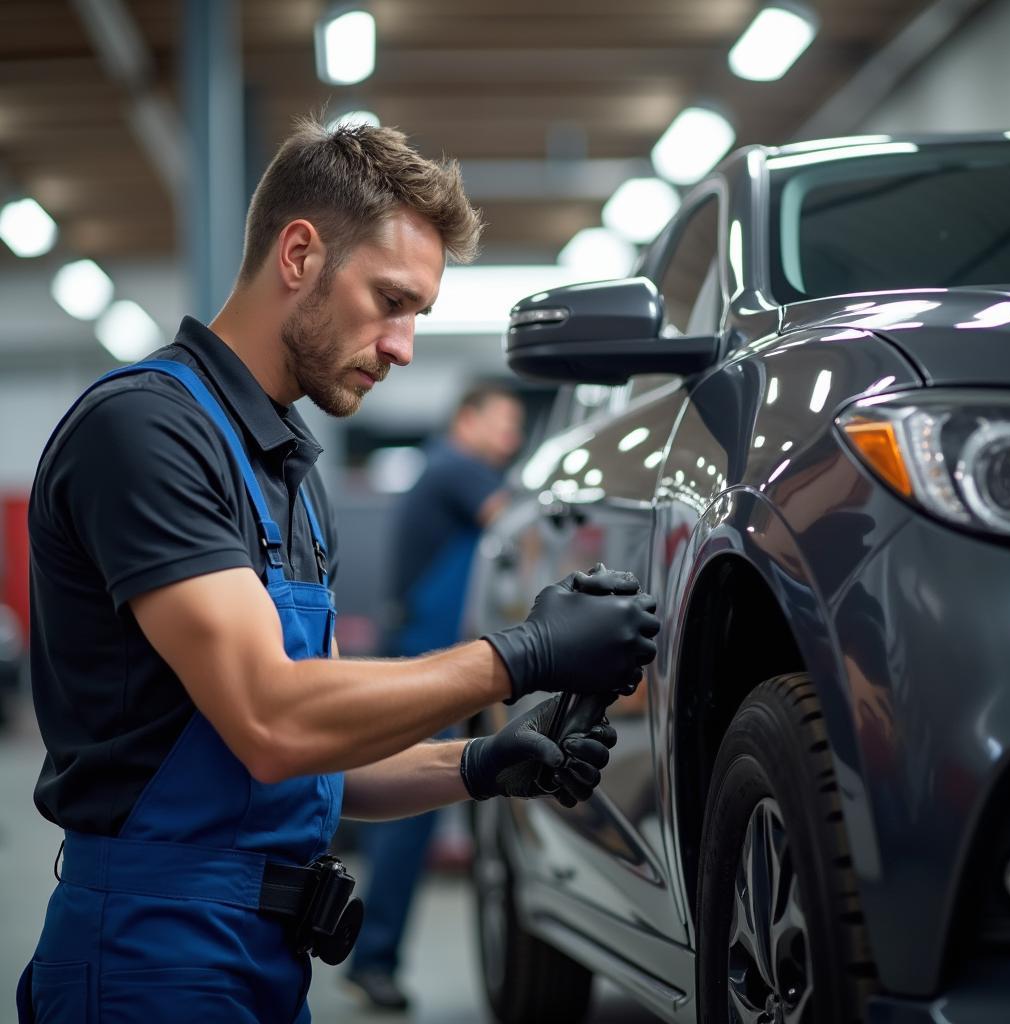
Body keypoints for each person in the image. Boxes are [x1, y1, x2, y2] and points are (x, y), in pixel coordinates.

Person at [17, 118, 660, 1024]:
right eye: (390, 300)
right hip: (152, 951)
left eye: (417, 316)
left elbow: (305, 766)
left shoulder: (287, 471)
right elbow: (274, 720)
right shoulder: (147, 433)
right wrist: (523, 655)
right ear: (300, 253)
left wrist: (476, 763)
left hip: (265, 955)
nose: (402, 346)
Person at [348, 386, 524, 1010]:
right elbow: (516, 524)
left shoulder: (447, 471)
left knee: (417, 809)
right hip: (428, 656)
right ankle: (372, 959)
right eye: (503, 422)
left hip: (437, 649)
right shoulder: (457, 469)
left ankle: (371, 954)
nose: (510, 438)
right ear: (466, 419)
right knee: (406, 813)